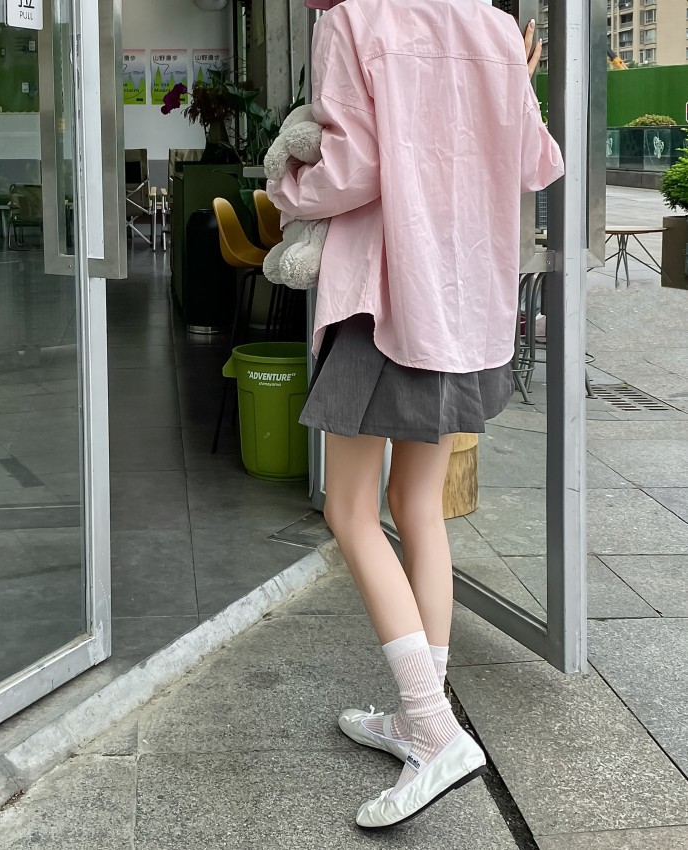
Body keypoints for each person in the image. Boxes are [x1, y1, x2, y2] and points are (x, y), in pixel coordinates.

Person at [267, 0, 564, 829]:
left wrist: (285, 182)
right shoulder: (493, 26)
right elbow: (535, 162)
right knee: (417, 506)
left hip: (387, 292)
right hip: (464, 299)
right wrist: (511, 82)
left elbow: (351, 167)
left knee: (349, 508)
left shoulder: (352, 20)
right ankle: (417, 715)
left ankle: (433, 730)